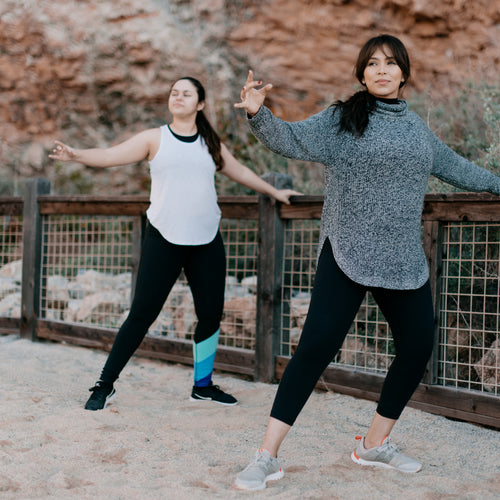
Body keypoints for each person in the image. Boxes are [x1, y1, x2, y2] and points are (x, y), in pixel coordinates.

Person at [232, 34, 500, 490]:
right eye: (372, 63)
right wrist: (259, 112)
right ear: (361, 73)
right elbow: (291, 138)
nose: (381, 70)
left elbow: (457, 166)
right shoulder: (343, 118)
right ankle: (266, 456)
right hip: (347, 250)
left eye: (391, 63)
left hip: (401, 258)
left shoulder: (416, 129)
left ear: (403, 73)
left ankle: (374, 444)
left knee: (417, 347)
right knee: (315, 346)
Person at [49, 76, 300, 411]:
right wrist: (76, 154)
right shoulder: (155, 138)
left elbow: (240, 172)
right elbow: (110, 156)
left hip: (207, 240)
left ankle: (203, 385)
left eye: (186, 94)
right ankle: (104, 385)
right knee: (141, 315)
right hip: (164, 239)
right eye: (174, 93)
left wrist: (274, 192)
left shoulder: (210, 143)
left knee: (211, 315)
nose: (178, 97)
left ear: (199, 104)